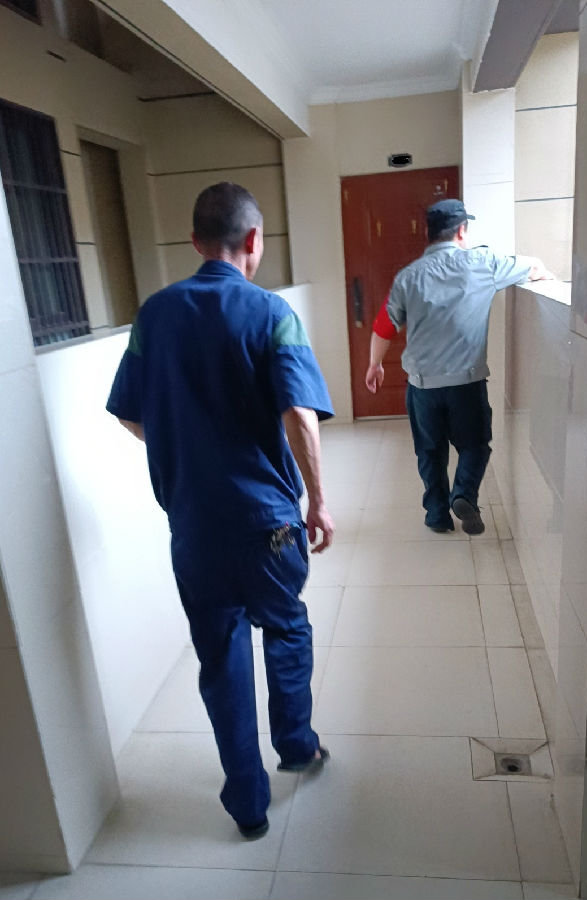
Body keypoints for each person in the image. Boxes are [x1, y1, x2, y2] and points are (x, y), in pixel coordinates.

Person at [106, 182, 334, 840]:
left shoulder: (154, 316)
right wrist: (319, 501)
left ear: (195, 241)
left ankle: (247, 803)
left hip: (194, 527)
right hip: (268, 523)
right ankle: (297, 746)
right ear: (254, 239)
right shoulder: (271, 313)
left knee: (220, 653)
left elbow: (129, 413)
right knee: (285, 628)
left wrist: (188, 450)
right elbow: (299, 415)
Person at [365, 198, 552, 535]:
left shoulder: (407, 277)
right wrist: (547, 276)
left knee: (429, 453)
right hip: (466, 383)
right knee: (475, 445)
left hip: (422, 386)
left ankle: (437, 516)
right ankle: (464, 493)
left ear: (428, 233)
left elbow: (384, 327)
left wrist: (374, 365)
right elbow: (535, 267)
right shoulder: (484, 263)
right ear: (462, 230)